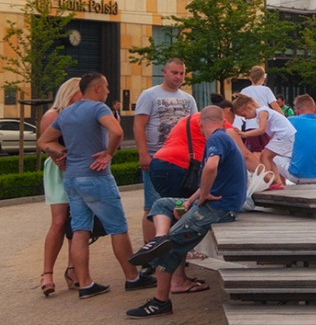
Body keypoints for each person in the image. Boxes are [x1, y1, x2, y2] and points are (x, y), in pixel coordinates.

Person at [37, 73, 154, 298]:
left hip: (72, 178)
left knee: (80, 229)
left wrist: (60, 154)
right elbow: (117, 131)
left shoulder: (67, 112)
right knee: (118, 227)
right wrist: (108, 154)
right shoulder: (99, 108)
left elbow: (44, 140)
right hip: (96, 176)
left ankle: (85, 283)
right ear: (98, 88)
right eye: (106, 87)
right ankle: (132, 277)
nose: (109, 91)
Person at [126, 106, 247, 318]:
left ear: (200, 124)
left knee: (172, 245)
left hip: (220, 208)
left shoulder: (217, 138)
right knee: (162, 204)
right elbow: (213, 175)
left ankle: (160, 302)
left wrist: (204, 194)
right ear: (222, 120)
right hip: (215, 203)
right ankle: (159, 238)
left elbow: (211, 167)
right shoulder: (223, 137)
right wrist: (191, 200)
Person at [133, 59, 197, 244]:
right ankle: (151, 247)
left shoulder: (189, 99)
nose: (178, 77)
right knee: (152, 205)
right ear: (164, 72)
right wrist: (143, 153)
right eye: (174, 73)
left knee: (182, 204)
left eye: (181, 73)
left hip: (182, 161)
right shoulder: (150, 95)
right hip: (156, 158)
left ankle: (179, 246)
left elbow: (194, 127)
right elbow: (139, 125)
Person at [37, 77, 82, 297]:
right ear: (71, 93)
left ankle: (73, 270)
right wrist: (62, 157)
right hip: (60, 170)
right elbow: (46, 145)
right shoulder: (53, 115)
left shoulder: (82, 113)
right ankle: (47, 273)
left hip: (78, 169)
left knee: (78, 221)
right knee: (59, 221)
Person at [230, 94, 295, 186]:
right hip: (284, 135)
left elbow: (261, 130)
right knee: (270, 158)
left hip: (283, 135)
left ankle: (267, 180)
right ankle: (277, 181)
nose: (245, 118)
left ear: (248, 107)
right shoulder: (261, 111)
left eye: (244, 115)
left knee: (264, 156)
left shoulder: (262, 112)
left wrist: (244, 134)